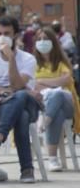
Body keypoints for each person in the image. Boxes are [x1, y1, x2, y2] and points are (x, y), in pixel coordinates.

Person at [0, 16, 41, 183]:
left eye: (7, 33)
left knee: (21, 96)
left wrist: (11, 59)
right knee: (21, 116)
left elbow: (17, 86)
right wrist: (11, 92)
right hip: (2, 105)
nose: (2, 37)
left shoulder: (28, 59)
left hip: (29, 105)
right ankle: (27, 170)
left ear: (15, 35)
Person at [34, 27, 79, 172]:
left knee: (58, 94)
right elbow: (33, 85)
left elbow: (66, 79)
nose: (42, 42)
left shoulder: (61, 62)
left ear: (53, 42)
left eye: (46, 39)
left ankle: (45, 121)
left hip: (67, 103)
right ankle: (53, 159)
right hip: (44, 104)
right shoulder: (33, 63)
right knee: (56, 113)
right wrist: (56, 81)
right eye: (39, 39)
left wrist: (44, 82)